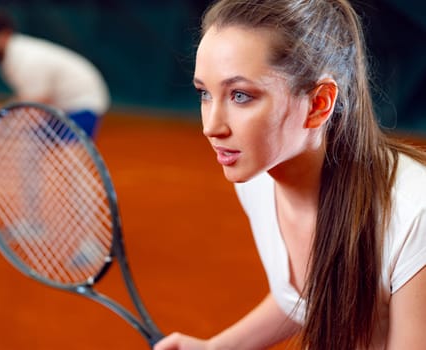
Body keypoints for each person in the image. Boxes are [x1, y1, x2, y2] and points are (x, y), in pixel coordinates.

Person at [155, 0, 426, 349]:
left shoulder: (414, 216)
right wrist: (215, 347)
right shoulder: (257, 178)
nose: (211, 126)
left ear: (318, 104)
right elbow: (302, 298)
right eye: (205, 93)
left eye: (240, 95)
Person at [0, 9, 110, 139]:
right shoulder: (9, 58)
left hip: (82, 104)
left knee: (66, 156)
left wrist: (1, 120)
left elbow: (38, 103)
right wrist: (1, 115)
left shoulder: (25, 59)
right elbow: (28, 99)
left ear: (4, 36)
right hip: (62, 107)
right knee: (28, 141)